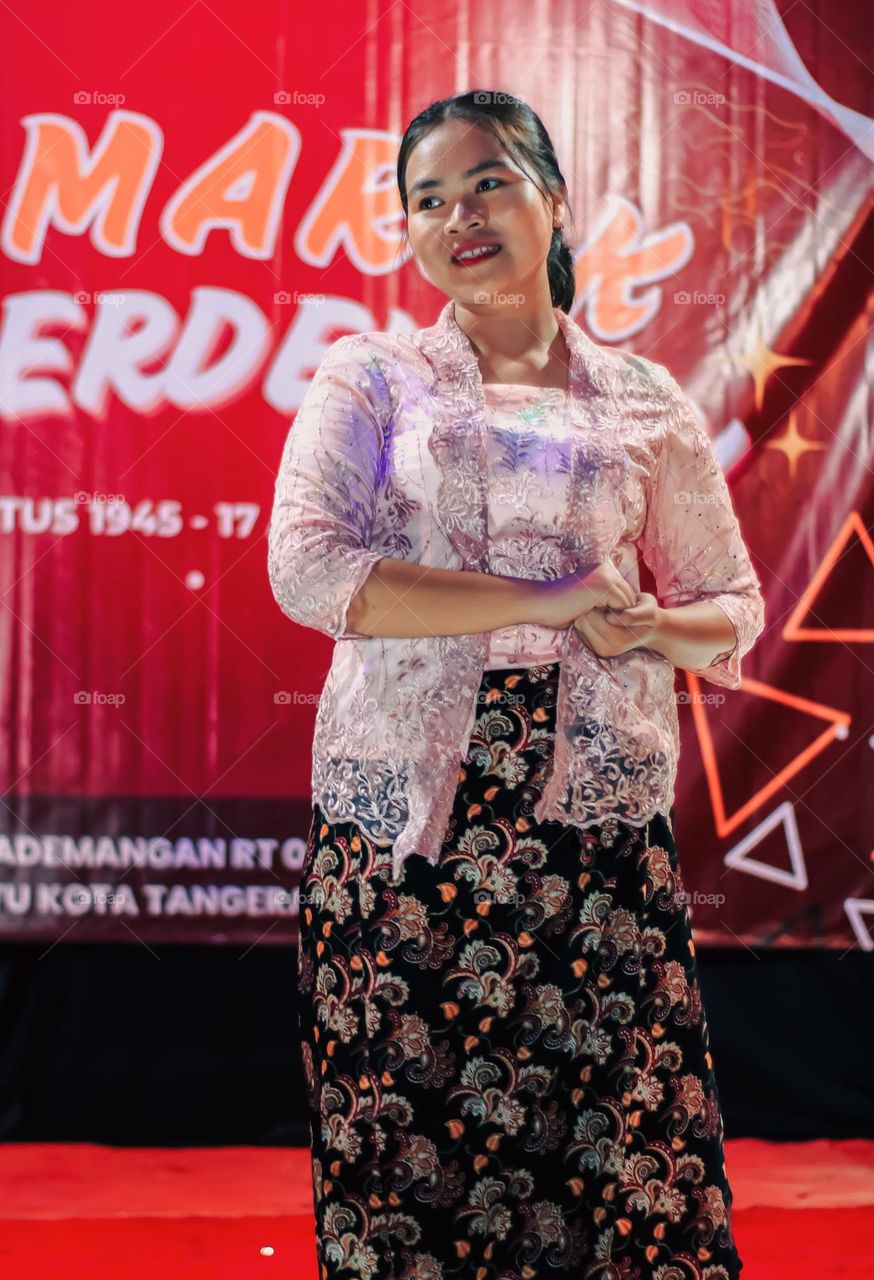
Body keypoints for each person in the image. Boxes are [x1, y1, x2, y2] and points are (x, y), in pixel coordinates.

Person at [268, 90, 762, 1280]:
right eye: (425, 199)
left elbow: (732, 609)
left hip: (590, 832)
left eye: (486, 181)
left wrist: (645, 623)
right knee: (411, 1166)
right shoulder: (374, 379)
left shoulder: (644, 398)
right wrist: (542, 602)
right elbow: (310, 568)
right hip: (407, 830)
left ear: (554, 199)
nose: (457, 216)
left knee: (620, 1165)